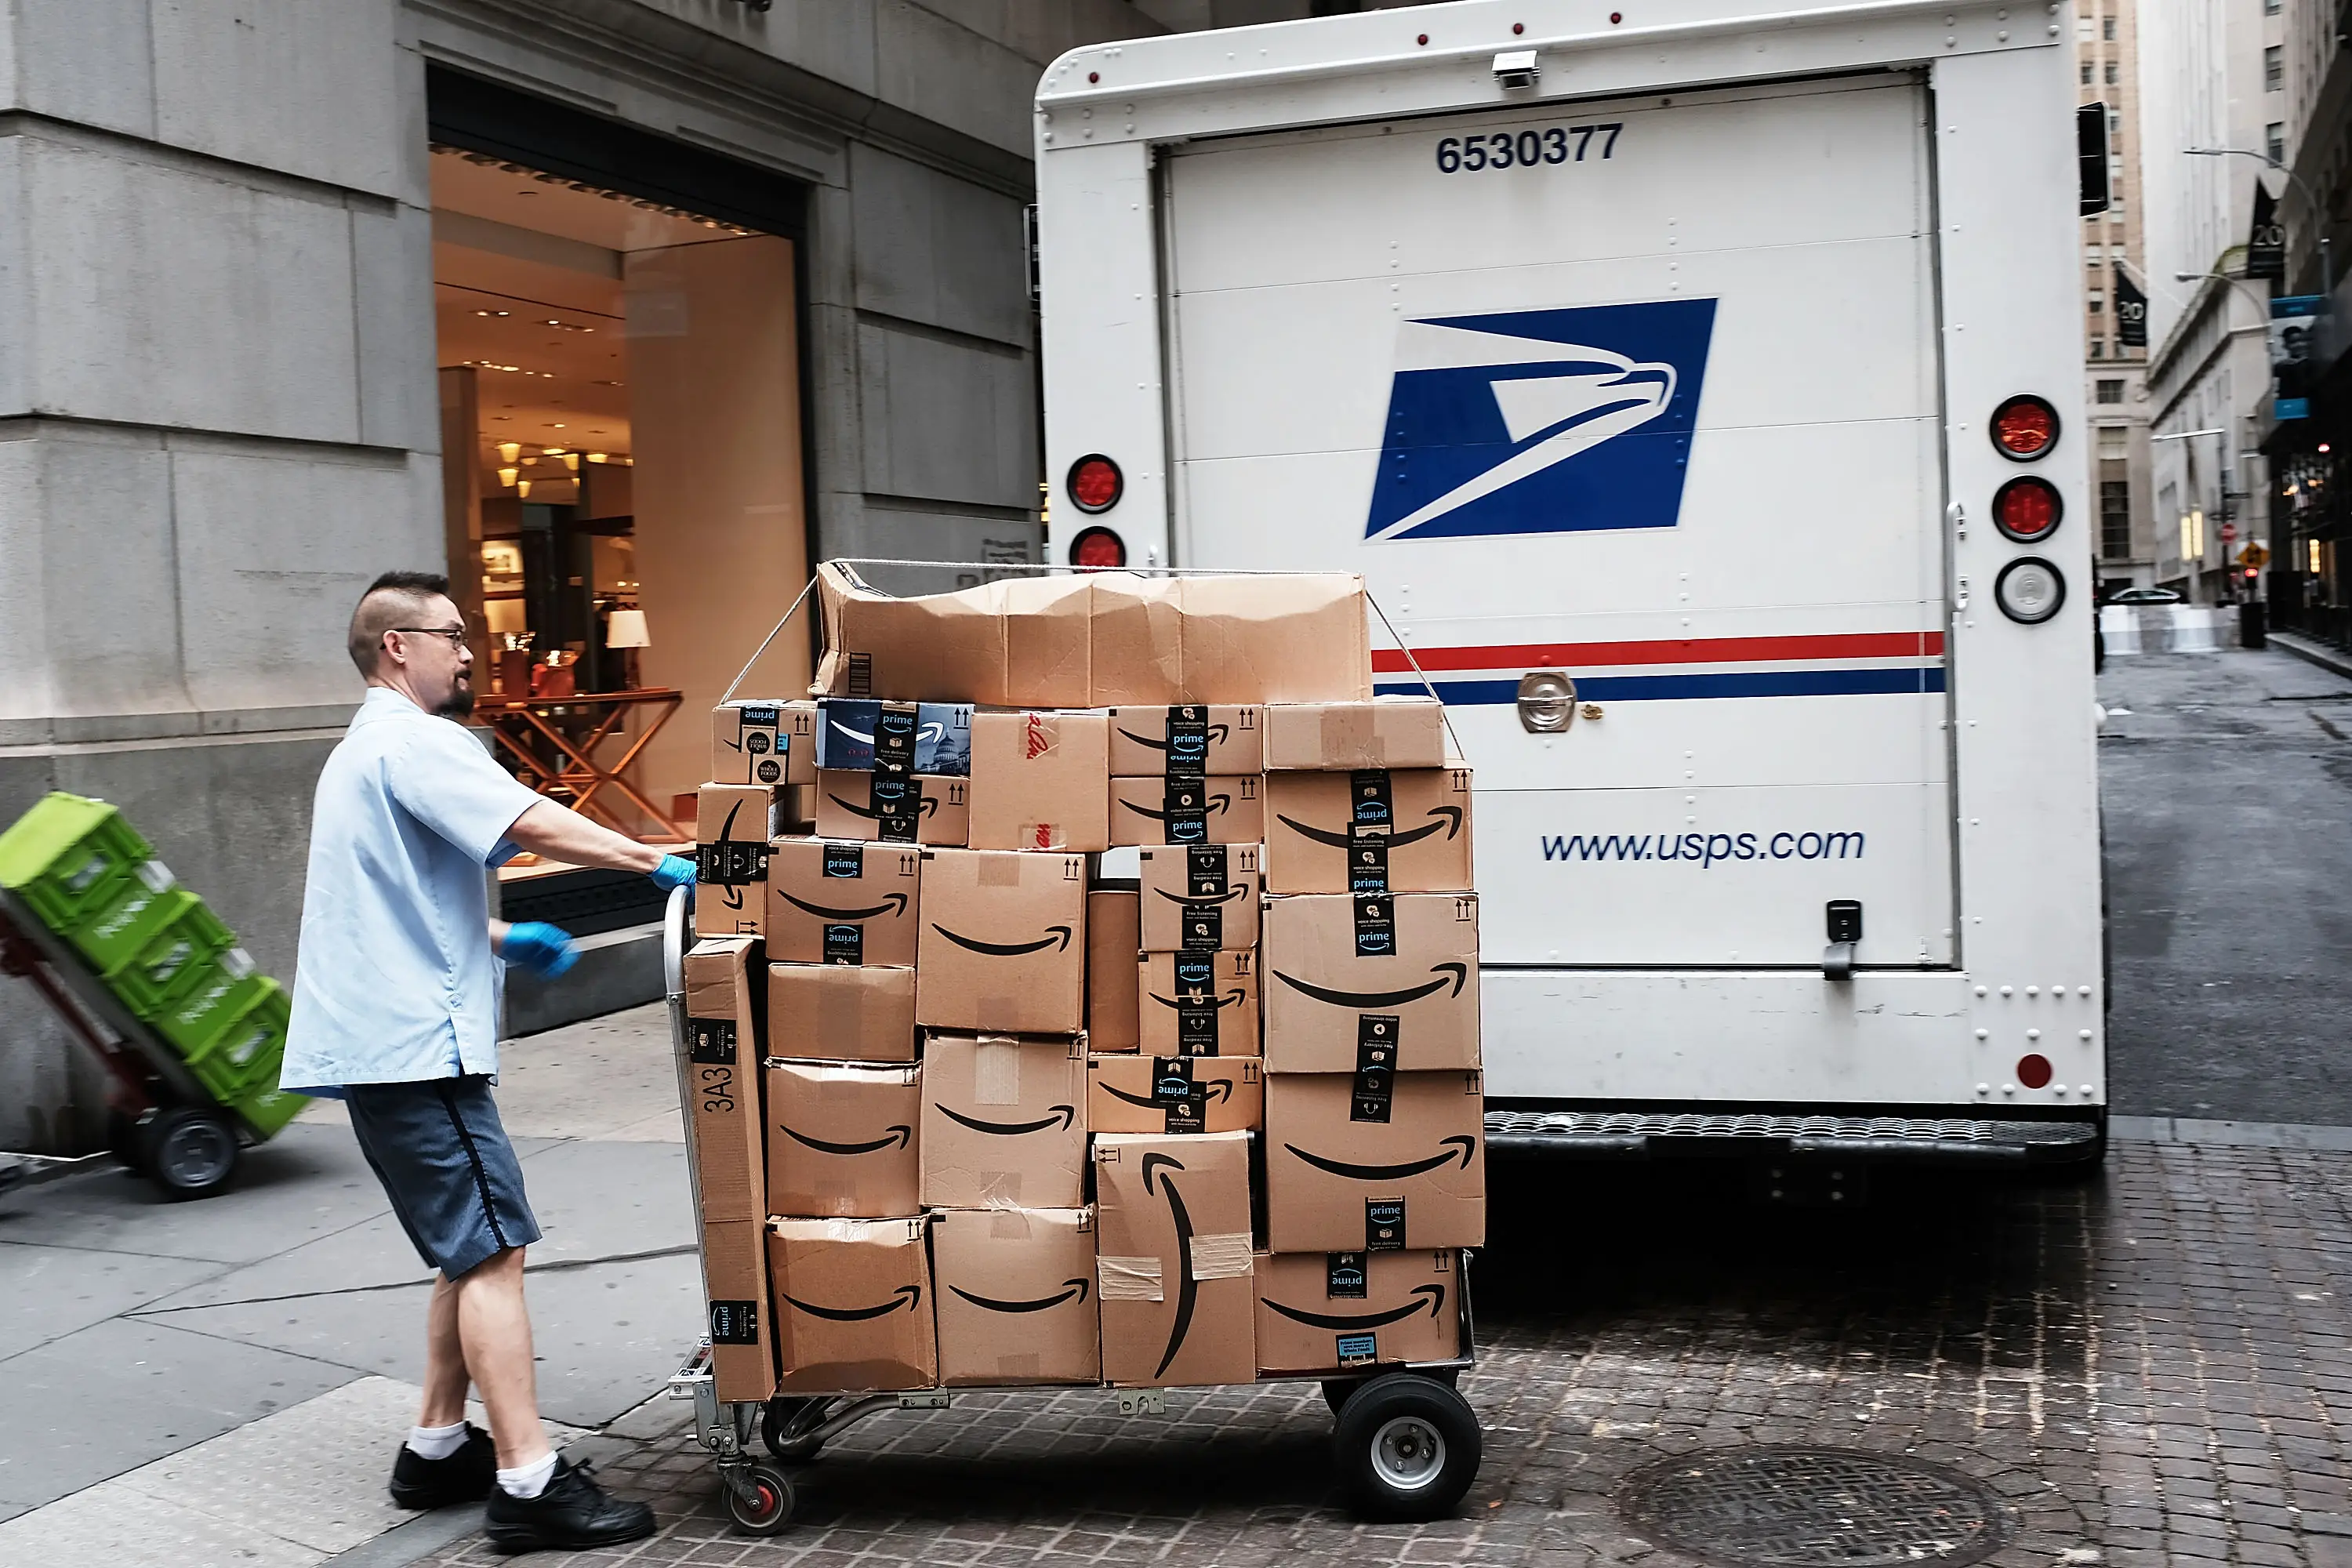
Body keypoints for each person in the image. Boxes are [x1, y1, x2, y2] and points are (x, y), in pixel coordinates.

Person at [284, 571, 696, 1554]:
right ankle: (529, 1478)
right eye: (452, 634)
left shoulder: (358, 754)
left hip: (390, 1045)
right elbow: (532, 823)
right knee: (497, 1251)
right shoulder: (414, 740)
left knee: (466, 1249)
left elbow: (386, 902)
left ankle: (435, 1449)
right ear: (397, 647)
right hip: (416, 1051)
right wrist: (660, 859)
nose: (469, 651)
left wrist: (509, 944)